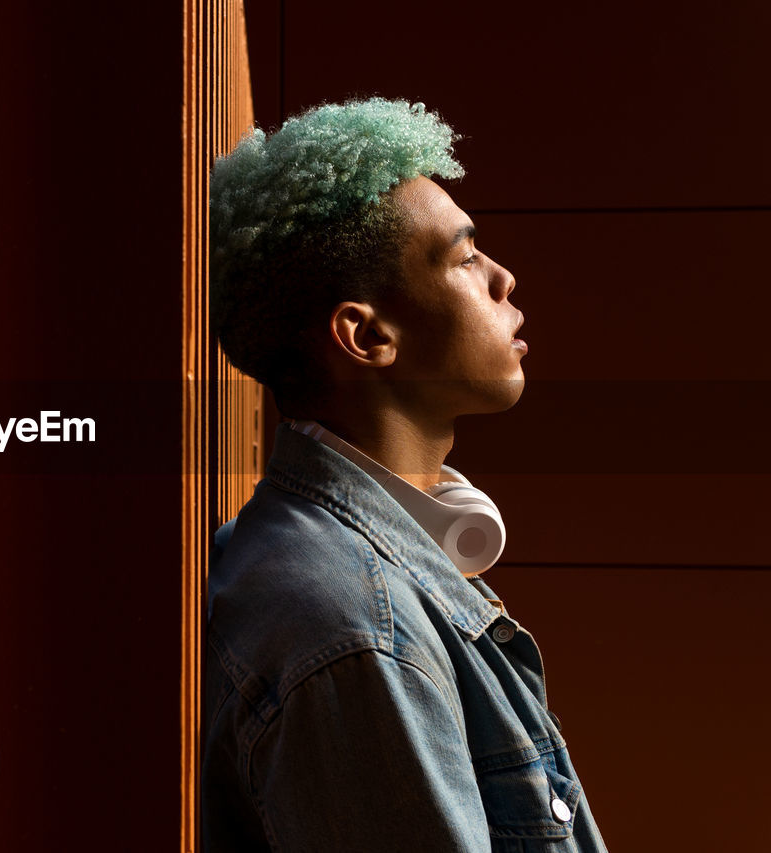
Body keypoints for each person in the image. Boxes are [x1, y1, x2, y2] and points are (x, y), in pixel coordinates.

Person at [202, 98, 609, 852]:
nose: (504, 278)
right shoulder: (354, 632)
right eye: (463, 257)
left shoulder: (352, 583)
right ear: (366, 334)